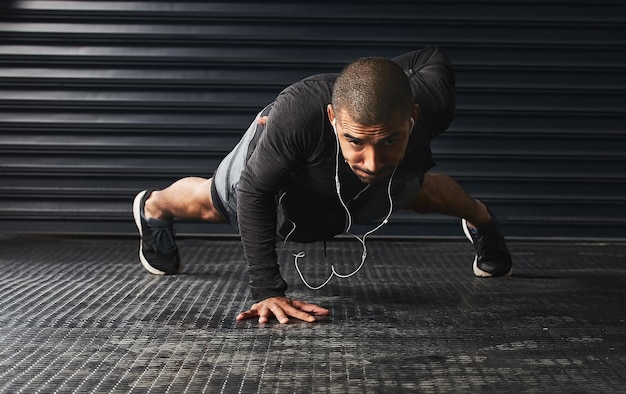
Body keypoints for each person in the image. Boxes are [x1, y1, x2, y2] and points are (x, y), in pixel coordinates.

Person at [132, 45, 513, 325]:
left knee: (420, 192)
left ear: (412, 115)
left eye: (390, 140)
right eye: (356, 141)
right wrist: (267, 291)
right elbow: (255, 193)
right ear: (333, 117)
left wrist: (374, 84)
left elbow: (430, 56)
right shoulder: (300, 115)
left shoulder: (429, 101)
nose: (373, 162)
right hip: (290, 143)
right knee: (213, 203)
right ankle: (153, 208)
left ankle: (482, 219)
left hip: (354, 123)